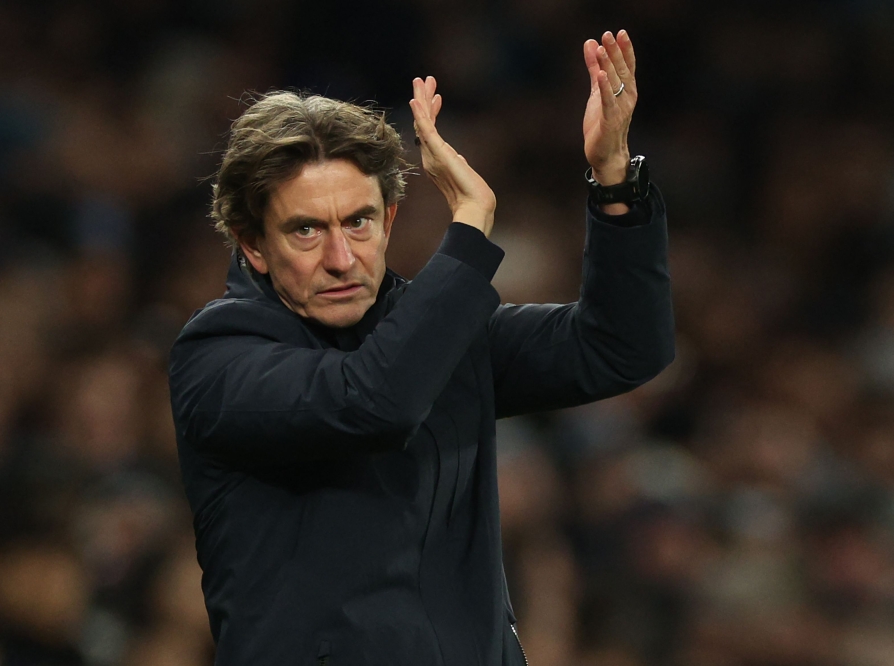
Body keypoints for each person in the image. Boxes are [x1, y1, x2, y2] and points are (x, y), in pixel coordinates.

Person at [168, 29, 673, 666]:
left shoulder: (439, 332)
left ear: (389, 221)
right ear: (252, 245)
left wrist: (612, 180)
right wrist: (467, 231)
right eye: (306, 230)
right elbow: (373, 402)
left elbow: (621, 347)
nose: (340, 258)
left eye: (359, 221)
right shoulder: (217, 357)